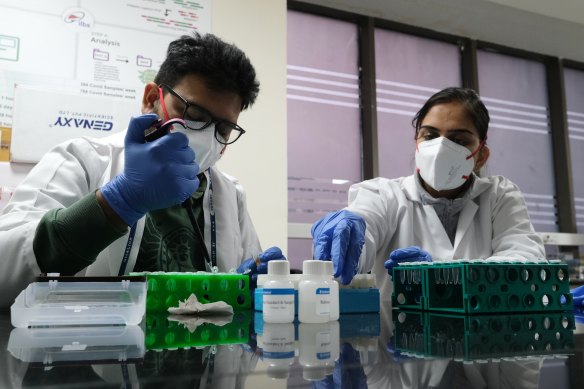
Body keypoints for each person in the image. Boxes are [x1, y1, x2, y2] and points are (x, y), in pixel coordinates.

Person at [0, 32, 284, 308]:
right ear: (151, 98)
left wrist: (252, 286)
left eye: (223, 129)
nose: (207, 136)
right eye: (195, 116)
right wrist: (117, 203)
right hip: (89, 354)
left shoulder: (230, 195)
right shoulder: (81, 160)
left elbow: (243, 292)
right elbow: (6, 267)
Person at [311, 87, 545, 299]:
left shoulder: (499, 196)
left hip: (483, 337)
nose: (441, 149)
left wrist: (442, 276)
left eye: (458, 139)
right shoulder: (383, 195)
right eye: (430, 136)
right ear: (417, 141)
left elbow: (524, 262)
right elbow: (366, 226)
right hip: (397, 337)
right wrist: (345, 247)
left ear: (481, 156)